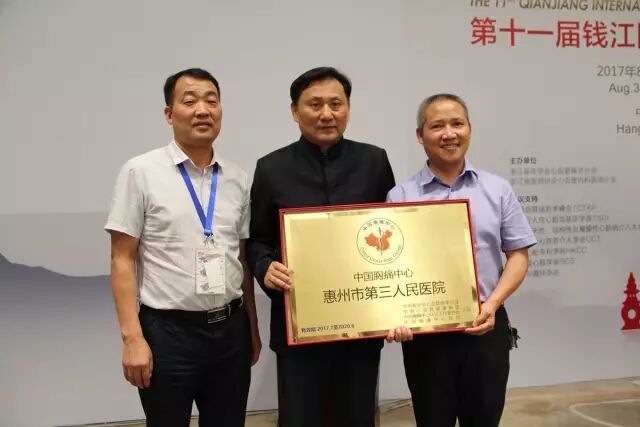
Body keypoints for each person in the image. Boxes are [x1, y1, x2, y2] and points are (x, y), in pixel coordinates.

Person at [246, 66, 405, 427]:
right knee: (300, 418)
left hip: (361, 324)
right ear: (295, 111)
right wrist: (265, 266)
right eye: (315, 104)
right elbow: (257, 239)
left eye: (336, 103)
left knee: (358, 416)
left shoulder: (374, 161)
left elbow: (395, 231)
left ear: (348, 108)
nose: (327, 113)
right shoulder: (271, 168)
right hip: (298, 326)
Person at [105, 68, 261, 427]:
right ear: (169, 114)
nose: (202, 110)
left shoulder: (237, 178)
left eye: (211, 101)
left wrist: (251, 327)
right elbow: (121, 258)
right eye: (189, 101)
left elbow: (241, 260)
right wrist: (132, 338)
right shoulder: (140, 172)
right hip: (168, 334)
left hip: (231, 331)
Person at [387, 93, 536, 427]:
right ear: (420, 135)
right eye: (437, 126)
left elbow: (518, 255)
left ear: (470, 129)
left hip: (485, 326)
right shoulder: (401, 196)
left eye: (457, 124)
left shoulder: (497, 189)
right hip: (426, 337)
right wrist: (395, 315)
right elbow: (393, 269)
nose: (449, 134)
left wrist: (492, 304)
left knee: (484, 419)